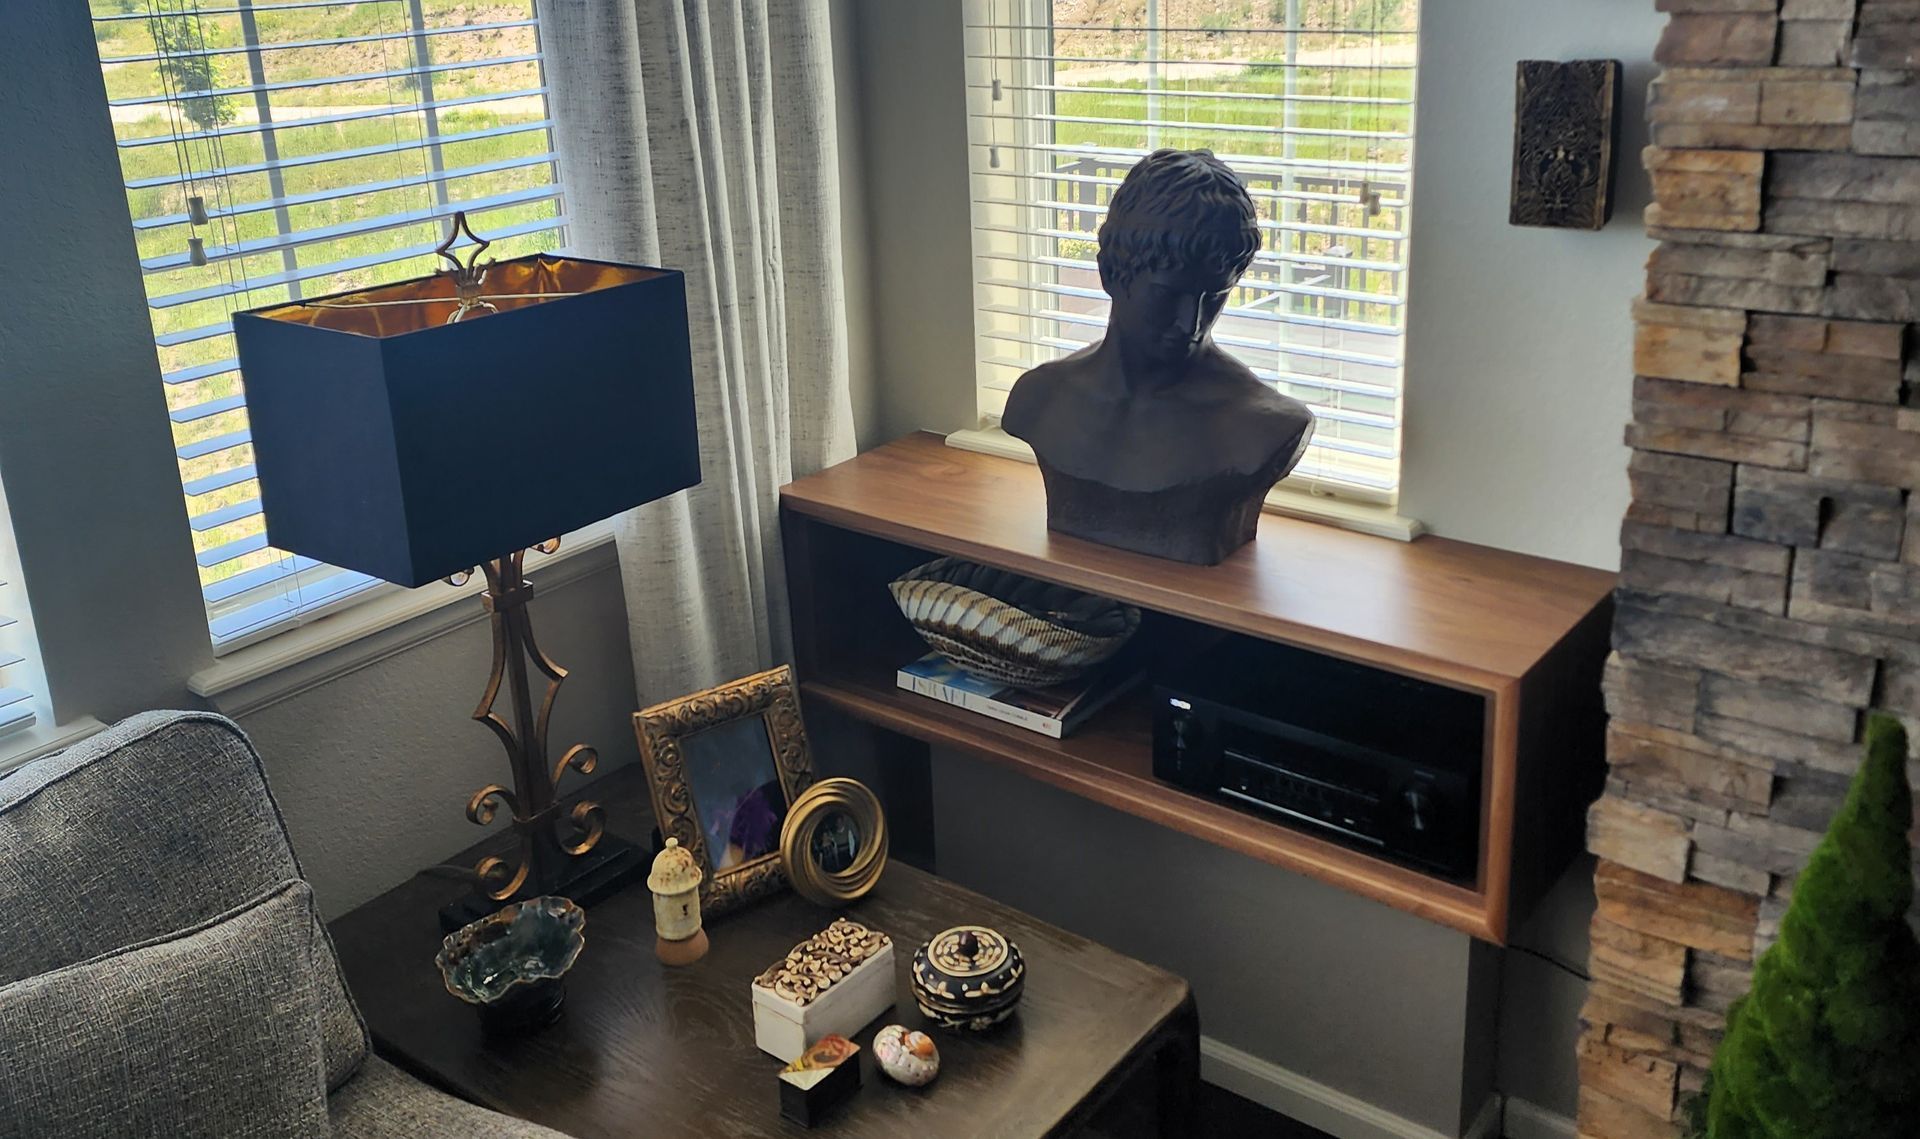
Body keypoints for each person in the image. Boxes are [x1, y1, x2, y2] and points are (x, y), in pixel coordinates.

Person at [1003, 148, 1315, 565]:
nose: (1192, 324)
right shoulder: (1039, 398)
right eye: (1169, 296)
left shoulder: (1265, 428)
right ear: (1111, 274)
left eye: (1215, 297)